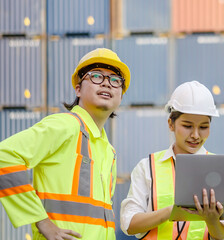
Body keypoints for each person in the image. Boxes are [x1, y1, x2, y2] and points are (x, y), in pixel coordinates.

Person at [0, 48, 131, 240]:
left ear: (121, 95)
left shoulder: (108, 151)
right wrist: (41, 221)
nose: (106, 83)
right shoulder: (66, 125)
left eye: (115, 80)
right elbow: (5, 155)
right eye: (96, 76)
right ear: (78, 89)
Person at [120, 81, 224, 240]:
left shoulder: (219, 168)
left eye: (203, 127)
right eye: (187, 126)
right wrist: (171, 212)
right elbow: (129, 224)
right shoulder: (147, 167)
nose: (195, 135)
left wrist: (212, 219)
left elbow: (222, 234)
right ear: (171, 124)